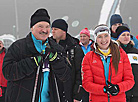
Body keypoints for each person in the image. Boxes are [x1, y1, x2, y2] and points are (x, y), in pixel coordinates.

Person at [2, 8, 71, 102]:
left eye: (47, 26)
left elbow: (66, 76)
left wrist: (56, 60)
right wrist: (31, 62)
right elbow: (8, 72)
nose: (44, 30)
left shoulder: (56, 48)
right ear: (32, 28)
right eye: (40, 26)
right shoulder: (18, 47)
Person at [82, 24, 135, 102]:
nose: (103, 40)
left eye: (106, 36)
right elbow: (86, 84)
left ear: (110, 37)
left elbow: (130, 81)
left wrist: (118, 88)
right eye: (100, 37)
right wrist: (103, 89)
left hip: (118, 99)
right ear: (96, 39)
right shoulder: (89, 57)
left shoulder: (121, 54)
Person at [51, 19, 84, 102]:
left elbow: (80, 73)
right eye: (52, 29)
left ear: (63, 31)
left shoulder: (75, 48)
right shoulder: (48, 46)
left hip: (69, 93)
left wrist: (77, 95)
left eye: (56, 29)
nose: (52, 31)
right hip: (51, 92)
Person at [116, 25, 138, 102]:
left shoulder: (135, 52)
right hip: (121, 92)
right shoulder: (115, 52)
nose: (126, 37)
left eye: (128, 35)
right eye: (123, 35)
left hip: (136, 93)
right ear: (118, 37)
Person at [79, 28, 93, 102]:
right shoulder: (77, 47)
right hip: (82, 72)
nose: (82, 38)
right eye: (81, 36)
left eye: (84, 36)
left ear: (88, 37)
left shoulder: (93, 46)